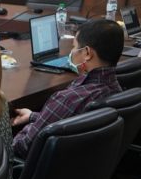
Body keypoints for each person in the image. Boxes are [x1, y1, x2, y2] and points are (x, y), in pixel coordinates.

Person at [12, 18, 123, 158]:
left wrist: (17, 132)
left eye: (74, 47)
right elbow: (72, 120)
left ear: (87, 53)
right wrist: (33, 117)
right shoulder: (115, 87)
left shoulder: (68, 99)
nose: (72, 52)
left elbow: (23, 147)